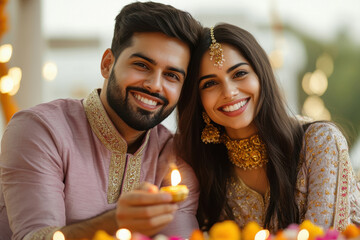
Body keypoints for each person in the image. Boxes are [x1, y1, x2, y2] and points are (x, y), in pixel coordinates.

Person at [0, 2, 203, 240]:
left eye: (171, 75)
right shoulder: (40, 129)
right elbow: (34, 237)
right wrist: (116, 222)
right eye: (141, 65)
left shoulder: (174, 154)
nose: (155, 85)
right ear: (107, 64)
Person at [175, 23, 360, 232]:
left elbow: (324, 236)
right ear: (198, 99)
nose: (229, 92)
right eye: (209, 84)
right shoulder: (204, 163)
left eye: (239, 74)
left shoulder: (320, 142)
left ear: (261, 76)